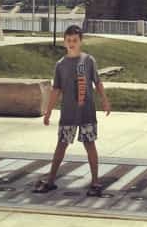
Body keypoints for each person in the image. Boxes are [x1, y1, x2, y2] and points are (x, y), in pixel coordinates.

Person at [33, 24, 111, 196]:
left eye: (75, 40)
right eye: (68, 40)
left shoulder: (88, 61)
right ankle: (51, 181)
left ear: (81, 41)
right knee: (61, 146)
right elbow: (56, 90)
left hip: (86, 113)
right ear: (64, 42)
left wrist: (104, 100)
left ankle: (95, 182)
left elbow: (97, 82)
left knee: (90, 145)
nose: (71, 43)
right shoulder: (60, 65)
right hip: (68, 113)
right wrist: (48, 111)